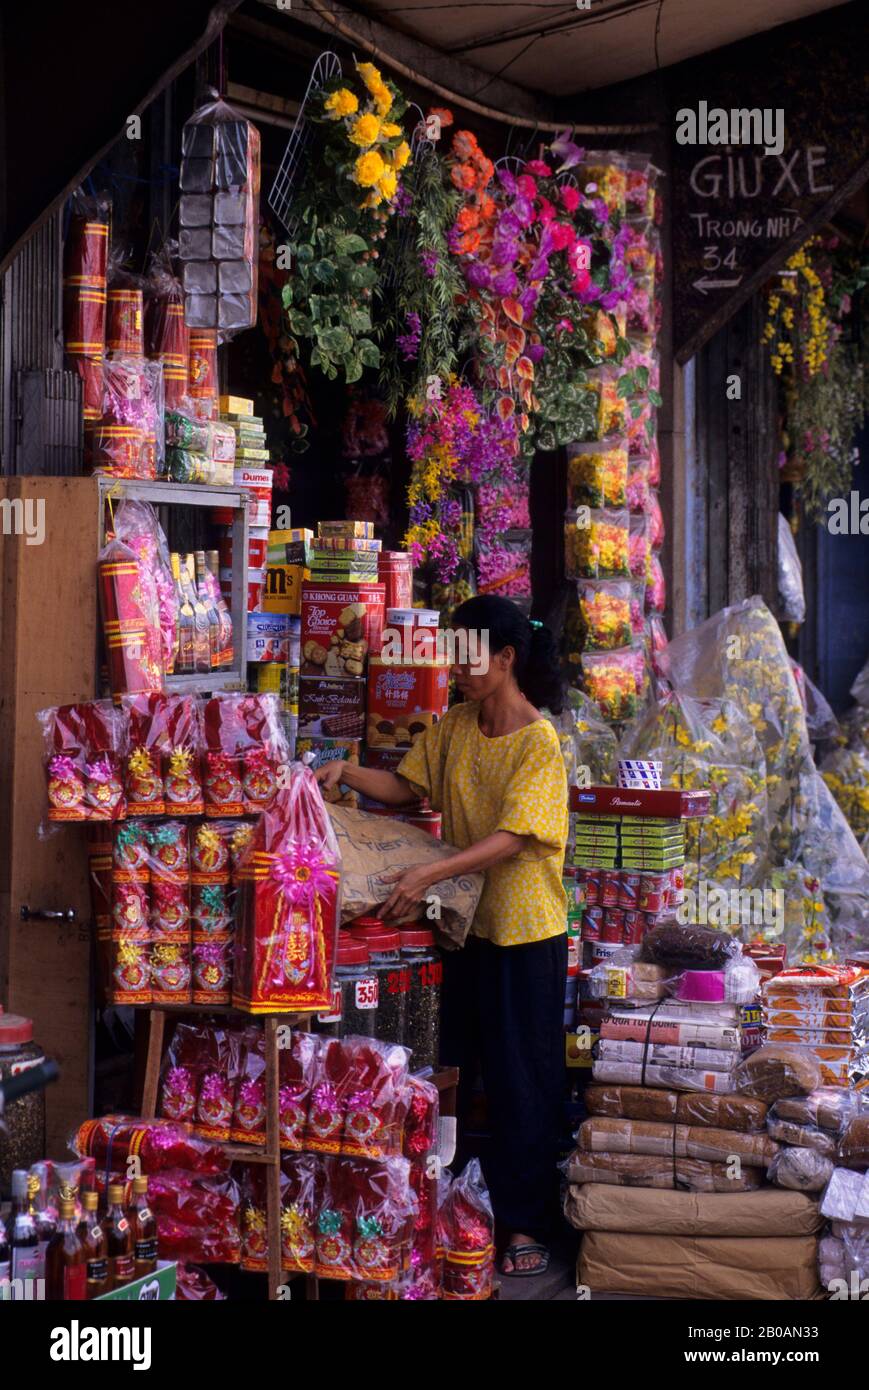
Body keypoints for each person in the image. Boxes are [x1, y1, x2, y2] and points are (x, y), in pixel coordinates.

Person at [314, 595, 569, 1277]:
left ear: (506, 659)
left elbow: (513, 837)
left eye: (468, 654)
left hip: (524, 936)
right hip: (462, 931)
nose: (455, 668)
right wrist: (343, 774)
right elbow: (404, 789)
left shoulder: (538, 743)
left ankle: (522, 1226)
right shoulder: (455, 725)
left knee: (521, 1083)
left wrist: (431, 871)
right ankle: (447, 1207)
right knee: (450, 1071)